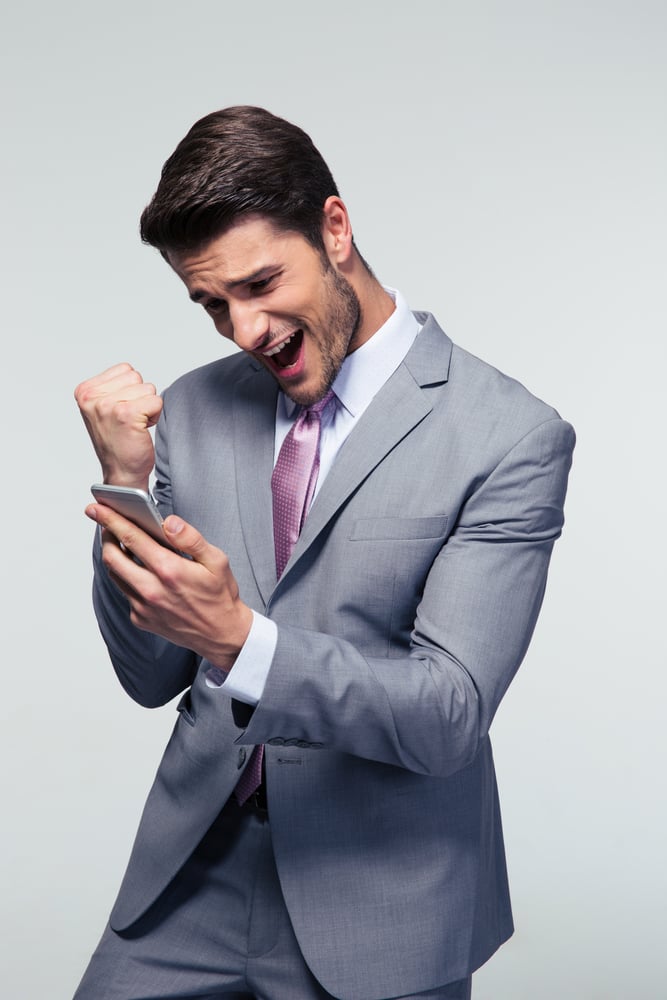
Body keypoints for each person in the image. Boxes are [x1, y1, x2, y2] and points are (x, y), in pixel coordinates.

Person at [73, 105, 575, 1000]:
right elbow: (150, 673)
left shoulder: (507, 436)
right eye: (212, 304)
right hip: (193, 870)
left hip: (381, 892)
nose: (245, 330)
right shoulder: (191, 408)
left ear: (334, 229)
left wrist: (240, 643)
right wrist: (124, 480)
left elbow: (448, 712)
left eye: (263, 283)